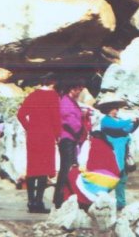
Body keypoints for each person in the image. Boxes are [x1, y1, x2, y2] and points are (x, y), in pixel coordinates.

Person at [16, 72, 61, 213]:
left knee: (32, 168)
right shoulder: (53, 96)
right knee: (43, 169)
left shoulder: (32, 95)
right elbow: (56, 118)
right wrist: (58, 135)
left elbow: (21, 114)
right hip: (47, 135)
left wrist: (29, 128)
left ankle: (30, 201)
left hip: (33, 136)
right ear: (53, 82)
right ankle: (39, 201)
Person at [98, 93, 139, 211]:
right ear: (108, 109)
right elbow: (118, 126)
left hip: (123, 153)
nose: (116, 109)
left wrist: (136, 123)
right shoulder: (106, 120)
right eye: (114, 107)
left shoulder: (119, 120)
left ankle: (121, 203)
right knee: (113, 177)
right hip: (113, 152)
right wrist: (130, 119)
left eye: (116, 107)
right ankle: (100, 200)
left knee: (122, 179)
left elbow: (127, 129)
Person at [53, 77, 86, 209]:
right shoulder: (66, 101)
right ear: (73, 89)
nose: (80, 92)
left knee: (69, 166)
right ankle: (60, 197)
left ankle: (65, 195)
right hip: (67, 138)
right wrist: (79, 126)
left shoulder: (72, 102)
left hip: (72, 138)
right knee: (66, 167)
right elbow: (68, 120)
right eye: (79, 89)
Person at [67, 130, 121, 209]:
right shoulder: (109, 146)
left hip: (97, 177)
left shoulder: (90, 143)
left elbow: (82, 160)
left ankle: (85, 202)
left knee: (72, 174)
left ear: (91, 137)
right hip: (113, 180)